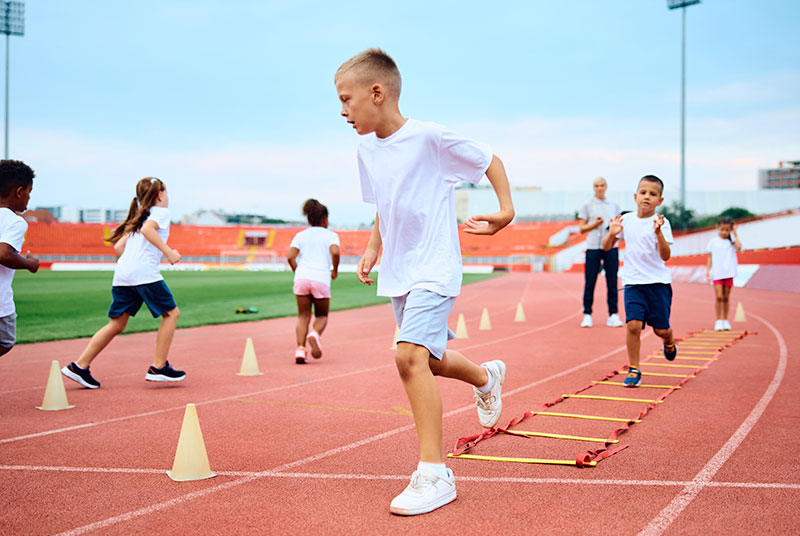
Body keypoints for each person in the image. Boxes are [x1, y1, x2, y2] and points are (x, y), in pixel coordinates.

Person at [335, 48, 515, 516]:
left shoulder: (430, 138)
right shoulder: (365, 149)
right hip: (399, 270)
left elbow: (489, 159)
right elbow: (384, 202)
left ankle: (435, 473)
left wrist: (506, 210)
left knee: (408, 356)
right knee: (428, 362)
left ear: (377, 93)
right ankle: (485, 376)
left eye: (346, 100)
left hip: (434, 265)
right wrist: (374, 247)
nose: (342, 111)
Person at [62, 178, 184, 389]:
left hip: (123, 275)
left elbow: (118, 249)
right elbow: (148, 231)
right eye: (166, 192)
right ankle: (159, 367)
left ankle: (79, 366)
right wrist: (169, 252)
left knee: (117, 323)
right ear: (160, 195)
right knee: (171, 314)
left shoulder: (138, 217)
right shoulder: (160, 213)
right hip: (144, 274)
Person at [602, 175, 677, 388]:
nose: (647, 197)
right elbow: (607, 246)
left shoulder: (662, 223)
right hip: (633, 283)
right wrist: (613, 234)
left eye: (653, 194)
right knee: (633, 325)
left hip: (658, 284)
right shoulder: (625, 220)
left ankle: (669, 340)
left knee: (660, 330)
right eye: (643, 193)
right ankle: (634, 368)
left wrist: (658, 233)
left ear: (659, 201)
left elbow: (665, 256)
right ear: (635, 197)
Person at [287, 198, 340, 364]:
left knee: (303, 316)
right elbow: (336, 252)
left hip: (302, 277)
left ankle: (300, 350)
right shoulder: (331, 235)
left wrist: (298, 271)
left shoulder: (300, 235)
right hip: (321, 278)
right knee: (322, 315)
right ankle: (315, 334)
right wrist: (335, 269)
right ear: (325, 218)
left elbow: (290, 256)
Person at [0, 160, 39, 357]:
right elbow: (4, 254)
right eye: (29, 192)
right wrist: (30, 264)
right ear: (19, 191)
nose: (29, 197)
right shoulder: (14, 221)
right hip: (0, 303)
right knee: (5, 341)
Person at [578, 177, 623, 328]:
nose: (599, 188)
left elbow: (619, 225)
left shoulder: (614, 206)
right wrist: (595, 224)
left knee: (612, 281)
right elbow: (581, 228)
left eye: (602, 185)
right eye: (597, 186)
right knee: (590, 281)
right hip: (592, 247)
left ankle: (613, 314)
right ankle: (587, 314)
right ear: (593, 188)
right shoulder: (587, 205)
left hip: (610, 247)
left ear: (606, 187)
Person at [705, 216, 741, 331]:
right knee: (719, 297)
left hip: (729, 272)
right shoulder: (713, 242)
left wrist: (735, 235)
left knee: (726, 298)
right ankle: (718, 321)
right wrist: (708, 270)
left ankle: (725, 320)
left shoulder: (732, 242)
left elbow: (739, 247)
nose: (724, 232)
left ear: (730, 230)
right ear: (718, 228)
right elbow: (710, 257)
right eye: (722, 230)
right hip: (717, 273)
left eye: (727, 230)